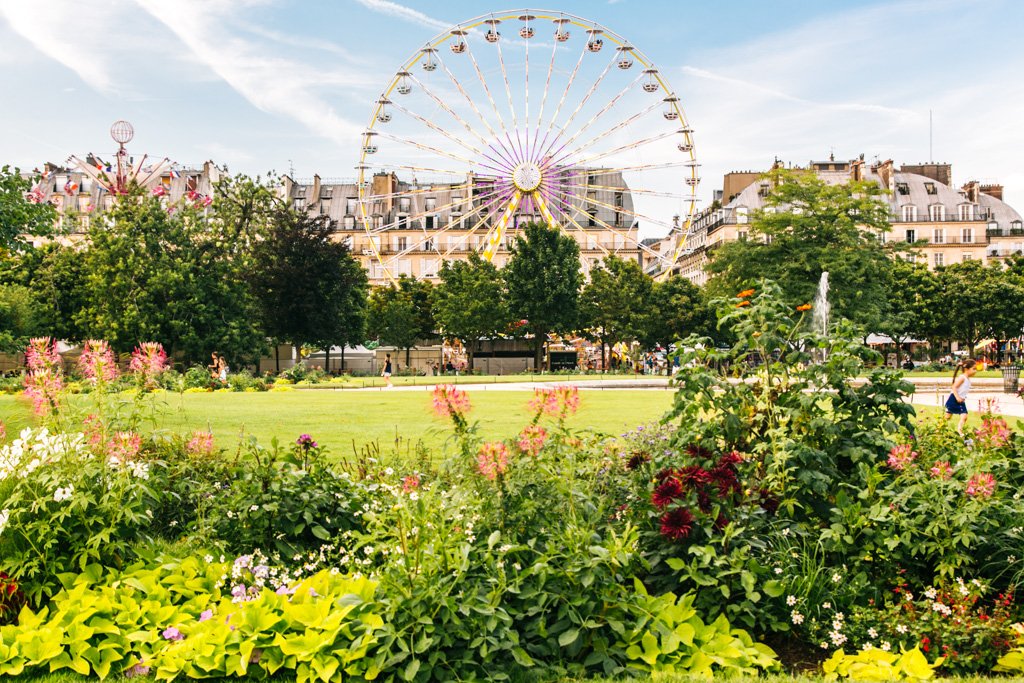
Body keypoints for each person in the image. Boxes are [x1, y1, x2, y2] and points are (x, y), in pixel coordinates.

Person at [944, 358, 978, 434]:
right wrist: (957, 397)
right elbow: (954, 387)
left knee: (963, 416)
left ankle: (960, 431)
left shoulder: (967, 379)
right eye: (974, 369)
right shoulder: (962, 378)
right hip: (954, 399)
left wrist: (962, 397)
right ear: (966, 369)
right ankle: (940, 429)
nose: (975, 371)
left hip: (960, 400)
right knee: (948, 417)